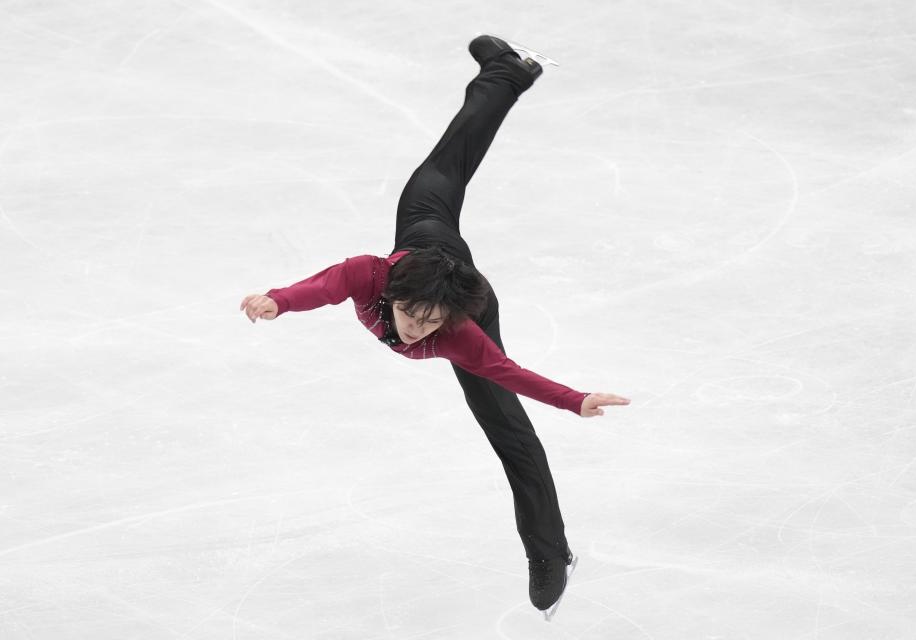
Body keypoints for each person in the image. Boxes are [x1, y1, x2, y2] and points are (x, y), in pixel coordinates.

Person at [240, 34, 630, 619]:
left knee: (508, 432)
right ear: (390, 294)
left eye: (430, 326)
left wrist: (576, 401)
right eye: (412, 319)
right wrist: (276, 300)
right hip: (426, 229)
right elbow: (319, 288)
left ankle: (550, 554)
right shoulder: (366, 274)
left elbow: (509, 372)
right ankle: (508, 70)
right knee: (446, 164)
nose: (419, 333)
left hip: (470, 294)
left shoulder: (458, 331)